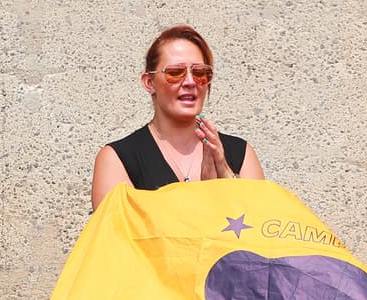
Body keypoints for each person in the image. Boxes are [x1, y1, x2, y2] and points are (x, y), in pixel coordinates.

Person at [91, 24, 264, 208]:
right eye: (175, 73)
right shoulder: (118, 159)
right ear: (149, 82)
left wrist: (227, 178)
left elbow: (262, 229)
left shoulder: (240, 153)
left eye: (200, 73)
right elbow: (114, 233)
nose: (190, 82)